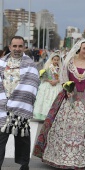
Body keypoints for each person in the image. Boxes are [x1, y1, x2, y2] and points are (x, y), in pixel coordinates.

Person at [33, 38, 85, 169]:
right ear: (79, 49)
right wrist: (67, 90)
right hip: (70, 99)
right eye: (84, 48)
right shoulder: (70, 62)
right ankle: (62, 157)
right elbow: (64, 78)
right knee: (65, 128)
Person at [0, 36, 39, 170]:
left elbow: (33, 84)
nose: (17, 49)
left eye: (20, 46)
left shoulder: (30, 65)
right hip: (3, 107)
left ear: (24, 47)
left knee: (22, 138)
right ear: (10, 47)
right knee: (0, 138)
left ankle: (24, 165)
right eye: (14, 46)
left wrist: (21, 100)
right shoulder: (1, 63)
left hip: (21, 107)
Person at [33, 52, 62, 120]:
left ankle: (52, 115)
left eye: (57, 60)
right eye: (54, 59)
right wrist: (49, 81)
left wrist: (56, 81)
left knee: (53, 99)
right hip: (48, 84)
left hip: (56, 84)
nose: (56, 61)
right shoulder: (48, 67)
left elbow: (61, 77)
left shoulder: (60, 68)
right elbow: (43, 76)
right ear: (52, 59)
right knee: (45, 99)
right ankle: (43, 115)